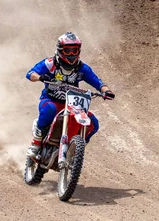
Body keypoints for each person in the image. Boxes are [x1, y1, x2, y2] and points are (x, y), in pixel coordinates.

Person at [25, 32, 115, 160]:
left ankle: (76, 149)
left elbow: (97, 82)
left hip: (72, 104)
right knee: (49, 110)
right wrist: (40, 77)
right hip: (51, 99)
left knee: (93, 123)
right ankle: (36, 142)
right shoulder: (50, 63)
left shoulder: (82, 68)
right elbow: (30, 74)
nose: (72, 54)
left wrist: (106, 91)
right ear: (60, 50)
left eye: (75, 50)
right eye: (68, 51)